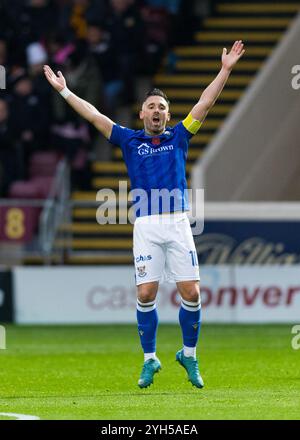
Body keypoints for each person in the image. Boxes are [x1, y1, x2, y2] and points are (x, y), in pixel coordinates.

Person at [43, 40, 245, 389]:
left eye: (161, 107)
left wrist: (225, 70)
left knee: (192, 293)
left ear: (168, 115)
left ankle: (189, 355)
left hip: (179, 221)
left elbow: (206, 103)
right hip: (147, 227)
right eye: (150, 106)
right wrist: (65, 92)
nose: (156, 111)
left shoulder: (180, 136)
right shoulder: (128, 140)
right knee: (146, 294)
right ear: (141, 114)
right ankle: (150, 360)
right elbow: (94, 116)